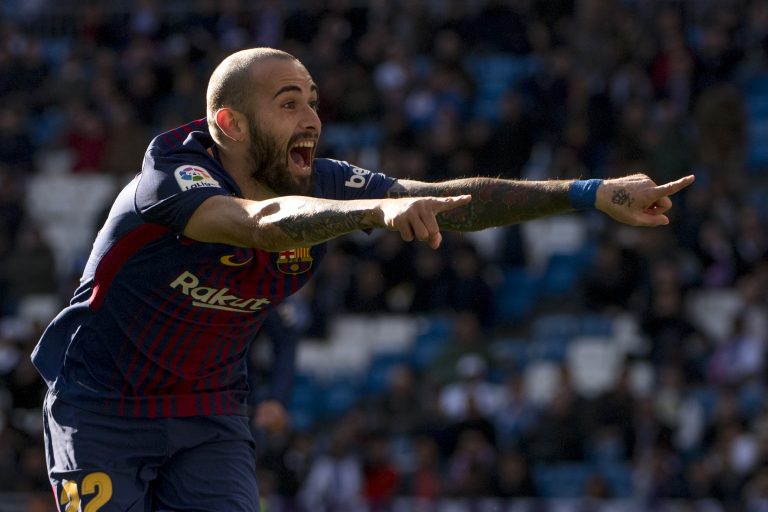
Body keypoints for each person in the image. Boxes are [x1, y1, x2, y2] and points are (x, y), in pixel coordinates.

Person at [31, 47, 694, 511]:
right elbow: (261, 224)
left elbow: (454, 202)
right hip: (101, 407)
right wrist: (375, 210)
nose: (312, 119)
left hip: (208, 414)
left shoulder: (323, 181)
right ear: (229, 124)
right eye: (288, 103)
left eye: (314, 103)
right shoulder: (170, 179)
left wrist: (588, 193)